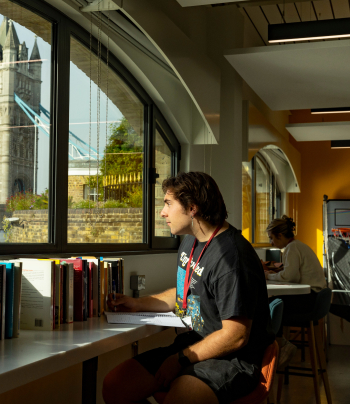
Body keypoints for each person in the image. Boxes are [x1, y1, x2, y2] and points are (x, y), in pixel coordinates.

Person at [102, 172, 273, 404]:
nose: (163, 212)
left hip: (231, 359)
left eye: (168, 204)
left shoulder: (232, 258)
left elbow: (236, 336)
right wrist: (138, 303)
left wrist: (180, 360)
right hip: (189, 346)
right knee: (115, 386)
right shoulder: (190, 241)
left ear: (192, 208)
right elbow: (186, 291)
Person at [265, 215, 326, 366]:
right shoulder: (298, 245)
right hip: (316, 299)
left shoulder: (292, 248)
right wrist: (277, 275)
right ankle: (281, 343)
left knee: (270, 305)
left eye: (271, 238)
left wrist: (267, 275)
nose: (271, 242)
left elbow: (290, 277)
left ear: (280, 235)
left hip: (309, 301)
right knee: (274, 303)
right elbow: (292, 275)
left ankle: (281, 344)